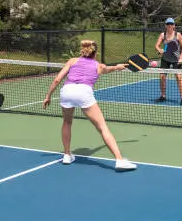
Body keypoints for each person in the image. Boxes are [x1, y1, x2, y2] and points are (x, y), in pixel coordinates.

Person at [42, 40, 137, 171]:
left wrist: (48, 96)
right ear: (95, 52)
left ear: (83, 50)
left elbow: (57, 79)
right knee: (102, 127)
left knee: (67, 122)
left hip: (67, 91)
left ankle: (67, 155)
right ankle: (119, 160)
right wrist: (118, 67)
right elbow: (110, 69)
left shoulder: (72, 61)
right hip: (84, 92)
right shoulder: (99, 66)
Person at [154, 17, 182, 106]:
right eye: (168, 24)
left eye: (171, 24)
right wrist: (159, 49)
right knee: (162, 77)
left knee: (179, 78)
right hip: (165, 59)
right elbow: (156, 45)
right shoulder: (162, 35)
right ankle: (163, 96)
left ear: (174, 26)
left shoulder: (178, 35)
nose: (170, 26)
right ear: (166, 25)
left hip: (176, 60)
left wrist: (181, 58)